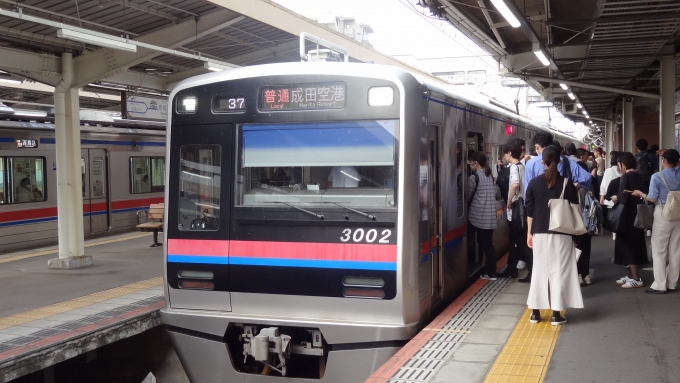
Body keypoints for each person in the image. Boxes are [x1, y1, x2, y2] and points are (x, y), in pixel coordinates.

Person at [525, 146, 583, 325]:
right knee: (560, 272)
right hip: (562, 232)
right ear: (559, 161)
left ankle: (535, 313)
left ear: (542, 162)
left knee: (539, 270)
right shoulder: (567, 183)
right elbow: (575, 209)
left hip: (539, 232)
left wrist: (529, 233)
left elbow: (530, 209)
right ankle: (557, 315)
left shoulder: (534, 183)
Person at [632, 149, 680, 294]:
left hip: (663, 214)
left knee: (659, 250)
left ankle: (660, 284)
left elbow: (652, 198)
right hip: (678, 214)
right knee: (675, 251)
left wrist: (640, 194)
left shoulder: (657, 176)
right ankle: (672, 283)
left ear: (663, 160)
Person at [612, 152, 649, 288]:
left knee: (629, 245)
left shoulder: (626, 176)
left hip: (626, 217)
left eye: (618, 164)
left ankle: (636, 278)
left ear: (623, 164)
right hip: (636, 215)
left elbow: (623, 197)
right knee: (634, 243)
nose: (618, 167)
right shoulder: (637, 175)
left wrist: (616, 198)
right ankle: (630, 275)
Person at [498, 140, 530, 279]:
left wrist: (509, 200)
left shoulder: (513, 167)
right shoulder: (522, 166)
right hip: (522, 207)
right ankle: (512, 268)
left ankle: (529, 270)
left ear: (510, 153)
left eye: (505, 154)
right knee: (517, 241)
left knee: (520, 241)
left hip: (516, 209)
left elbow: (515, 185)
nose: (504, 157)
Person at [467, 151, 498, 280]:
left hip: (476, 217)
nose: (470, 165)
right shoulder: (489, 175)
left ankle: (490, 273)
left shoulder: (473, 178)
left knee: (466, 239)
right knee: (488, 245)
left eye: (471, 162)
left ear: (475, 163)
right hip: (489, 217)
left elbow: (467, 196)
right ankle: (492, 271)